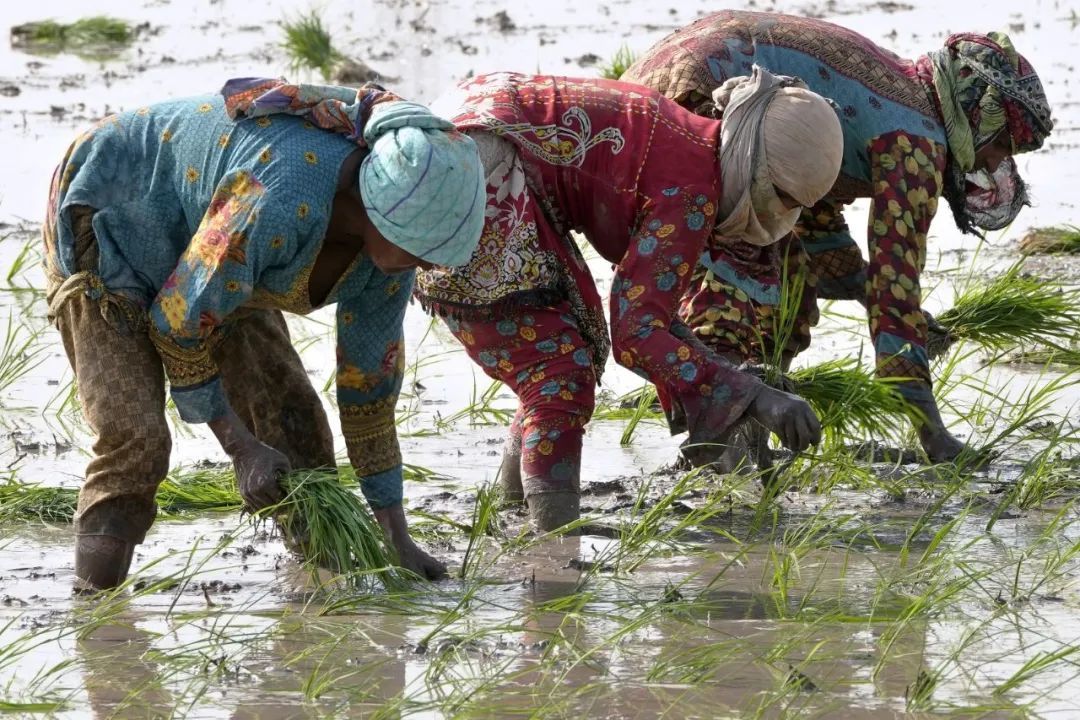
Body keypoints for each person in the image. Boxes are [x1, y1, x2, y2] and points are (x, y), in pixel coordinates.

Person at [43, 78, 485, 591]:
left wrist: (396, 536)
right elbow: (180, 320)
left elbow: (370, 389)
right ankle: (98, 622)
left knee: (291, 415)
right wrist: (241, 448)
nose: (429, 263)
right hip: (109, 209)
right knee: (136, 437)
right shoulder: (274, 197)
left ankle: (325, 586)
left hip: (216, 249)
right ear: (375, 209)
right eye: (420, 246)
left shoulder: (387, 263)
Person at [408, 70, 841, 531]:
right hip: (473, 178)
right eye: (778, 198)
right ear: (755, 165)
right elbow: (636, 336)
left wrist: (734, 383)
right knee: (556, 375)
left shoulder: (685, 139)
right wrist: (752, 398)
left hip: (456, 132)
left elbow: (648, 316)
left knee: (549, 357)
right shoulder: (692, 192)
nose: (776, 216)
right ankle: (554, 544)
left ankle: (516, 510)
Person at [622, 10, 1053, 464]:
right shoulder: (916, 141)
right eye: (1002, 145)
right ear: (980, 113)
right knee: (745, 284)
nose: (992, 163)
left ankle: (744, 434)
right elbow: (896, 289)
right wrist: (934, 435)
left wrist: (875, 298)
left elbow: (811, 217)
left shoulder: (901, 92)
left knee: (787, 277)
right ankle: (722, 447)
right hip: (704, 103)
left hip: (655, 93)